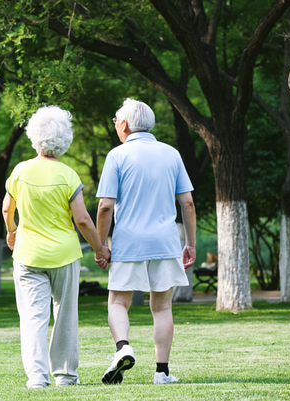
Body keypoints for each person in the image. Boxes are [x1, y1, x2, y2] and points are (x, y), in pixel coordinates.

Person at [2, 105, 109, 389]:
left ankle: (37, 378)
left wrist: (12, 231)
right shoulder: (68, 175)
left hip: (27, 256)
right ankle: (65, 376)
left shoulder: (20, 171)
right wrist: (100, 248)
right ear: (65, 139)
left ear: (34, 136)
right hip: (64, 256)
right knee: (64, 315)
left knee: (33, 317)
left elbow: (6, 209)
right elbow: (83, 220)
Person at [96, 98, 196, 385]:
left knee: (118, 302)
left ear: (124, 124)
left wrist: (101, 245)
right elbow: (187, 203)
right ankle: (162, 372)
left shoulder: (117, 155)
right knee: (162, 307)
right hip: (165, 243)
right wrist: (190, 244)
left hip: (129, 243)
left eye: (116, 121)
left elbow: (105, 207)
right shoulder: (171, 154)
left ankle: (122, 347)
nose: (116, 126)